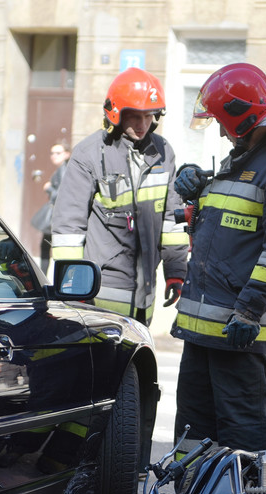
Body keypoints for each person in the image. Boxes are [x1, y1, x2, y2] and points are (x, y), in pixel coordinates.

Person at [169, 63, 266, 453]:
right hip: (200, 332)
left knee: (242, 434)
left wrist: (248, 311)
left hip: (237, 334)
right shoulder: (237, 165)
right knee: (192, 434)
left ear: (240, 118)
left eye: (220, 120)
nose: (218, 129)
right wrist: (193, 186)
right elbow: (213, 238)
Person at [51, 68, 188, 327]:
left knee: (134, 366)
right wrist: (74, 288)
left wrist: (176, 272)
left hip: (144, 294)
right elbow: (68, 226)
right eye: (135, 116)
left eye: (148, 116)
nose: (142, 125)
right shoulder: (89, 154)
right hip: (99, 294)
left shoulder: (163, 152)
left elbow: (172, 220)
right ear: (116, 114)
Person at [32, 140, 70, 273]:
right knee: (46, 246)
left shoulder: (64, 170)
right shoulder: (62, 169)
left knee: (50, 247)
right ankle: (44, 276)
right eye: (52, 153)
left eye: (58, 153)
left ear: (66, 154)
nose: (54, 155)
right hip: (58, 215)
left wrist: (49, 188)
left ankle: (46, 277)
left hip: (59, 216)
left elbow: (63, 195)